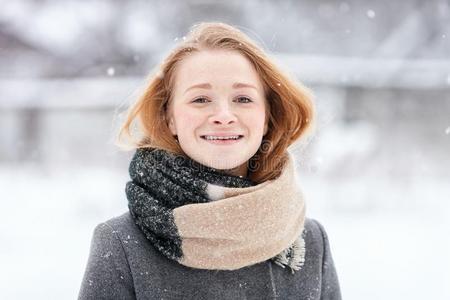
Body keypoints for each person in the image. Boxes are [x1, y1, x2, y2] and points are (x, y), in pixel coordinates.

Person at [78, 22, 341, 300]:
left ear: (267, 117)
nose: (224, 115)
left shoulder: (308, 241)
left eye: (242, 98)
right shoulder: (121, 244)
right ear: (170, 118)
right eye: (201, 99)